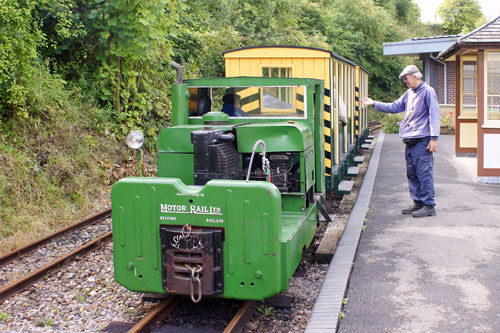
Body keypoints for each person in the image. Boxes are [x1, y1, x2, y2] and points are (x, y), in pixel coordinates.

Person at [362, 65, 440, 218]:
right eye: (404, 79)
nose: (405, 81)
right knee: (412, 173)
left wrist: (434, 138)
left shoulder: (428, 92)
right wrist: (374, 103)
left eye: (406, 78)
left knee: (424, 173)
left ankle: (429, 205)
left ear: (416, 76)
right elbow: (394, 107)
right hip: (410, 140)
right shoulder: (409, 93)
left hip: (422, 140)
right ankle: (418, 202)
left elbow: (434, 115)